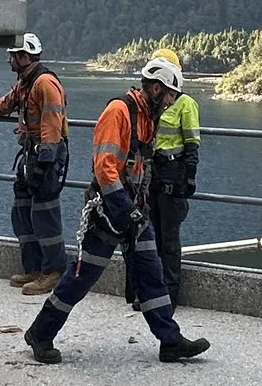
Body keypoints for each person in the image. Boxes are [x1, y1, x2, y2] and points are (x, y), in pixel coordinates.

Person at [23, 58, 211, 366]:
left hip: (134, 211)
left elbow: (139, 166)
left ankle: (170, 341)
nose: (171, 103)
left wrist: (139, 207)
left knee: (152, 272)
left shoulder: (148, 117)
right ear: (155, 88)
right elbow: (105, 167)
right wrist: (124, 207)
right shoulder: (119, 112)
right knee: (82, 277)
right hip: (109, 213)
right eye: (169, 96)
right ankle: (40, 333)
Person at [0, 32, 69, 291]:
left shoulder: (45, 83)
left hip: (44, 155)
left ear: (25, 56)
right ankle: (34, 268)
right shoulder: (27, 83)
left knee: (45, 214)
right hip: (31, 154)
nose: (10, 61)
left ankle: (53, 271)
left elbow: (52, 120)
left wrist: (46, 161)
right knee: (22, 212)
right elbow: (7, 103)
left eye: (13, 56)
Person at [147, 46, 201, 305]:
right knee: (151, 236)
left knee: (169, 239)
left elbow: (192, 144)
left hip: (173, 172)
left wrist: (189, 176)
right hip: (152, 173)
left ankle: (170, 293)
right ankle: (152, 292)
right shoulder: (152, 104)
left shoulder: (186, 104)